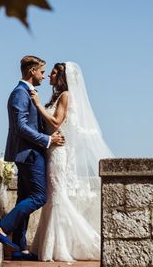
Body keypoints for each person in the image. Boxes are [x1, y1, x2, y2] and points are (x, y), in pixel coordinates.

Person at [29, 62, 113, 262]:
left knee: (57, 196)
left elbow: (57, 122)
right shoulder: (57, 96)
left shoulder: (66, 96)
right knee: (53, 197)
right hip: (50, 150)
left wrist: (38, 105)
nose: (49, 75)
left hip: (58, 151)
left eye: (54, 73)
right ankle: (49, 245)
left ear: (62, 77)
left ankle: (62, 246)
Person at [0, 55, 65, 262]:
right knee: (39, 197)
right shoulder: (20, 93)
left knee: (23, 198)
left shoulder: (29, 93)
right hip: (29, 153)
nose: (44, 77)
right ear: (32, 71)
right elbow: (20, 126)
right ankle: (2, 227)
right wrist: (47, 139)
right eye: (42, 72)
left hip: (30, 152)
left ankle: (21, 249)